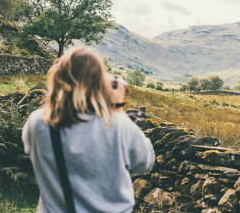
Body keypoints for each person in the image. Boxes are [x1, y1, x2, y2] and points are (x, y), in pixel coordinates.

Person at [22, 47, 155, 213]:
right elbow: (145, 162)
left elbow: (30, 149)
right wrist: (117, 109)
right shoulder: (118, 124)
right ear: (99, 82)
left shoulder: (37, 122)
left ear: (59, 77)